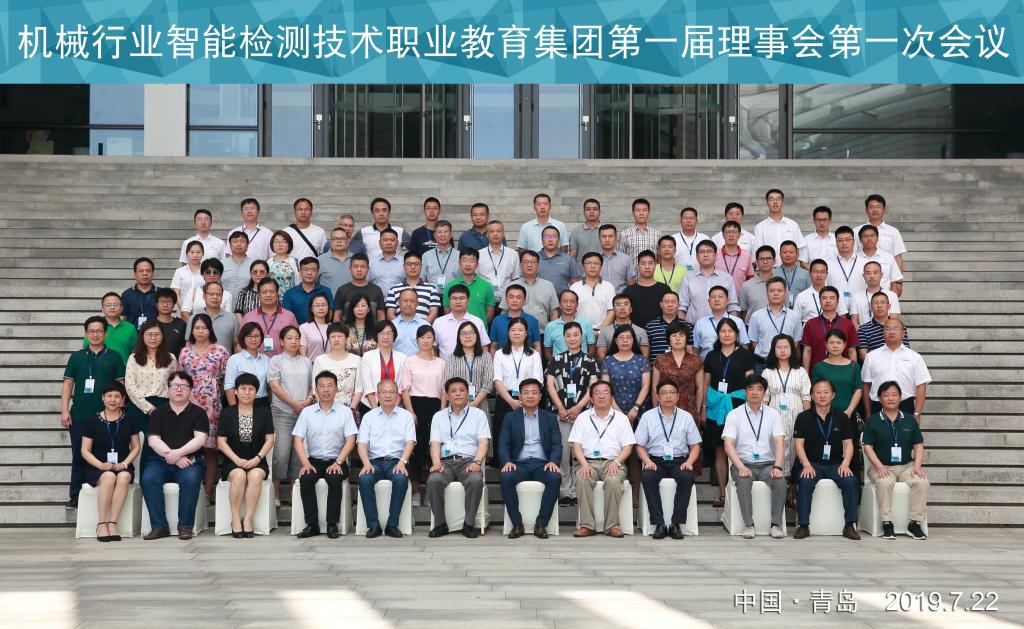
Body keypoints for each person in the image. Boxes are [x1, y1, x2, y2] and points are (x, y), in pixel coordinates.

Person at [62, 317, 126, 509]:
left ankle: (104, 489)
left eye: (99, 331)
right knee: (78, 454)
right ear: (86, 334)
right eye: (91, 331)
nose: (95, 334)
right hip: (80, 414)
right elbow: (68, 384)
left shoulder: (114, 356)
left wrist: (120, 410)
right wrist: (64, 410)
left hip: (107, 416)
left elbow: (121, 386)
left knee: (104, 451)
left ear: (105, 333)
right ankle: (76, 494)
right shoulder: (76, 357)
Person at [141, 371, 208, 541]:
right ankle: (159, 526)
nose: (179, 389)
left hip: (190, 461)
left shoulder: (199, 413)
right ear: (168, 389)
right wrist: (174, 457)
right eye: (175, 386)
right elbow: (153, 441)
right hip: (161, 461)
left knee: (190, 479)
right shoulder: (158, 413)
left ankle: (185, 526)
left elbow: (200, 439)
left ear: (191, 389)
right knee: (148, 478)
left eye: (184, 386)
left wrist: (178, 454)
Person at [293, 370, 359, 539]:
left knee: (334, 479)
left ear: (336, 389)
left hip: (337, 460)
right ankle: (312, 525)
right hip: (314, 460)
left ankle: (332, 524)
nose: (326, 389)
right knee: (306, 479)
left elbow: (351, 440)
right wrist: (306, 463)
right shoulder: (307, 412)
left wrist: (338, 462)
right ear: (316, 390)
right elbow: (298, 440)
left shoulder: (345, 412)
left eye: (330, 386)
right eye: (321, 386)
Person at [793, 378, 860, 540]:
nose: (822, 396)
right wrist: (806, 465)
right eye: (818, 392)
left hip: (836, 464)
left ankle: (850, 525)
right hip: (812, 464)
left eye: (826, 392)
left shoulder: (842, 417)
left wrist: (845, 464)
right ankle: (803, 525)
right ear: (812, 396)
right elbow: (798, 445)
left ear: (833, 395)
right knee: (805, 480)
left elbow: (849, 444)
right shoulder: (803, 417)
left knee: (850, 481)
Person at [862, 381, 929, 540]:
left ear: (900, 397)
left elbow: (918, 445)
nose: (890, 398)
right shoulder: (872, 420)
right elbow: (867, 447)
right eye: (886, 395)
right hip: (881, 466)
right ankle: (887, 523)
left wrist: (917, 466)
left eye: (894, 395)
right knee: (884, 482)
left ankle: (914, 523)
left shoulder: (909, 419)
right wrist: (879, 467)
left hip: (906, 466)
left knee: (922, 482)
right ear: (879, 398)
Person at [635, 381, 702, 539]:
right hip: (655, 461)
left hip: (680, 461)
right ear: (657, 397)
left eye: (672, 392)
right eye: (664, 392)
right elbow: (639, 446)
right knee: (647, 477)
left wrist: (689, 462)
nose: (668, 396)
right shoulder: (647, 417)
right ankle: (659, 523)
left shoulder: (686, 417)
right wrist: (647, 461)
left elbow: (695, 446)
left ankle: (676, 523)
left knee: (687, 477)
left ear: (678, 396)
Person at [722, 374, 787, 539]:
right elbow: (728, 445)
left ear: (764, 392)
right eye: (751, 389)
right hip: (743, 463)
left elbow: (779, 442)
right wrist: (741, 467)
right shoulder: (734, 415)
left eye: (759, 389)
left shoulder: (773, 414)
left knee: (780, 481)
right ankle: (749, 525)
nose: (755, 392)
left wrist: (778, 467)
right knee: (743, 480)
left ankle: (776, 525)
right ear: (745, 392)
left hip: (767, 464)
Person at [569, 381, 636, 538]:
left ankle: (612, 526)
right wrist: (583, 464)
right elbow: (576, 445)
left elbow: (628, 447)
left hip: (613, 462)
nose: (601, 396)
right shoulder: (582, 418)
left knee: (613, 480)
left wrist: (617, 463)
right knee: (582, 478)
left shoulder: (621, 419)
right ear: (591, 398)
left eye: (605, 393)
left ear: (611, 397)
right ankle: (587, 526)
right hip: (587, 462)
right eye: (597, 393)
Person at [426, 377, 491, 538]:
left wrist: (477, 462)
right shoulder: (438, 416)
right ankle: (440, 524)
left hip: (468, 462)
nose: (458, 394)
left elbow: (484, 442)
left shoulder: (478, 415)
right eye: (453, 391)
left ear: (468, 394)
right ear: (447, 395)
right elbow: (434, 443)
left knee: (475, 480)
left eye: (462, 390)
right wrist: (436, 463)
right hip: (445, 463)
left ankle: (468, 524)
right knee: (433, 480)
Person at [498, 378, 562, 539]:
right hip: (519, 464)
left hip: (542, 464)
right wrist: (506, 461)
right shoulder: (510, 417)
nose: (530, 396)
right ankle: (517, 524)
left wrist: (553, 461)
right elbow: (503, 444)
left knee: (555, 477)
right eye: (526, 393)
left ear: (540, 396)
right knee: (506, 476)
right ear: (520, 396)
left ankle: (541, 524)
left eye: (534, 392)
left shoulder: (549, 417)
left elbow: (556, 444)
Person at [701, 318, 756, 509]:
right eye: (723, 331)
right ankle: (723, 494)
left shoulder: (745, 355)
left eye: (730, 331)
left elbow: (751, 384)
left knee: (738, 449)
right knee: (720, 451)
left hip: (738, 405)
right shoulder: (711, 355)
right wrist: (703, 408)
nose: (726, 334)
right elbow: (705, 384)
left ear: (737, 334)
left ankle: (739, 493)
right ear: (718, 334)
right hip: (716, 407)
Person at [545, 322, 601, 506]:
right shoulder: (556, 359)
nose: (572, 338)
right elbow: (550, 385)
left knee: (579, 452)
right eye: (568, 335)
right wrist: (560, 407)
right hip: (560, 412)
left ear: (582, 337)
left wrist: (578, 408)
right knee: (563, 453)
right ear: (564, 337)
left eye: (576, 335)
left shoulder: (590, 361)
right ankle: (564, 491)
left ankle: (578, 490)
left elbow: (593, 387)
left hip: (582, 414)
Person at [178, 313, 231, 497]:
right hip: (188, 405)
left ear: (210, 330)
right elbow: (180, 379)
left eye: (204, 328)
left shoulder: (220, 351)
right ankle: (190, 491)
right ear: (192, 330)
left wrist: (216, 396)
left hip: (212, 407)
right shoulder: (185, 352)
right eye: (197, 328)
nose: (200, 331)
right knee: (188, 447)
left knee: (210, 450)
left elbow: (226, 380)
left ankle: (207, 492)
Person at [80, 382, 141, 542]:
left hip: (122, 465)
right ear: (103, 397)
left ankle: (113, 523)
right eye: (109, 396)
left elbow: (136, 447)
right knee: (109, 476)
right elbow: (85, 450)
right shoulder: (92, 420)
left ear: (122, 399)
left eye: (117, 396)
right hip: (97, 467)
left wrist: (125, 464)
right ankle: (101, 524)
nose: (113, 400)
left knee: (123, 477)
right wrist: (100, 465)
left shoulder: (130, 419)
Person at [357, 379, 417, 538]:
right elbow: (361, 443)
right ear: (377, 395)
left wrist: (403, 462)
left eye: (392, 392)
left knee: (400, 479)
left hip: (397, 462)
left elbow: (410, 442)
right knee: (364, 479)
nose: (388, 395)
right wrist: (366, 463)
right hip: (374, 462)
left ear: (398, 395)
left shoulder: (406, 416)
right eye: (384, 392)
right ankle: (373, 526)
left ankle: (392, 525)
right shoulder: (369, 416)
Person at [217, 373, 275, 538]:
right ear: (235, 391)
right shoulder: (227, 413)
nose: (247, 392)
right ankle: (236, 519)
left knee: (255, 476)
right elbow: (221, 442)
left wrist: (258, 458)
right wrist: (236, 459)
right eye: (243, 388)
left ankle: (248, 518)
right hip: (232, 461)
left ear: (256, 392)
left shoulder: (264, 412)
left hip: (257, 460)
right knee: (239, 475)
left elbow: (270, 440)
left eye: (251, 389)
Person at [397, 325, 447, 506]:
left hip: (435, 407)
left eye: (429, 337)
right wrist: (410, 411)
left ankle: (431, 490)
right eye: (422, 337)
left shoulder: (441, 363)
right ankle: (416, 490)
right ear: (417, 340)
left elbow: (444, 390)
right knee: (416, 449)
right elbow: (405, 389)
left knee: (432, 447)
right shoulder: (410, 361)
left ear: (434, 340)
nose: (425, 341)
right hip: (415, 406)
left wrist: (442, 411)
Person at [268, 326, 314, 504]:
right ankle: (276, 493)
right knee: (281, 452)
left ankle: (295, 490)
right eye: (289, 338)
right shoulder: (276, 360)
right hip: (282, 412)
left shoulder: (306, 361)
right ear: (281, 341)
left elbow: (312, 386)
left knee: (298, 452)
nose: (294, 341)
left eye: (297, 338)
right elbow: (275, 385)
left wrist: (308, 400)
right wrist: (293, 403)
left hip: (303, 412)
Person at [762, 335, 812, 490]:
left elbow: (806, 397)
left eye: (786, 347)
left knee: (797, 446)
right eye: (779, 347)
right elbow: (764, 399)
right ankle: (780, 487)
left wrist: (808, 421)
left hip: (797, 416)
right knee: (778, 447)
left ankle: (794, 489)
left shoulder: (801, 371)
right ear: (773, 350)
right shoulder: (767, 372)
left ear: (792, 349)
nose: (783, 350)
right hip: (774, 416)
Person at [124, 320, 176, 466]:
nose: (153, 338)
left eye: (157, 334)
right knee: (145, 441)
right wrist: (149, 408)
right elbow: (130, 386)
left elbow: (173, 384)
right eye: (149, 334)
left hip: (163, 406)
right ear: (142, 336)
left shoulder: (171, 358)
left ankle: (155, 475)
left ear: (163, 336)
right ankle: (142, 476)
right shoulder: (133, 358)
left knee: (161, 442)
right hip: (138, 406)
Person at [861, 316, 931, 419]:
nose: (892, 331)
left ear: (903, 333)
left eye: (896, 328)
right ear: (883, 333)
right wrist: (868, 413)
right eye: (888, 328)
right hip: (877, 406)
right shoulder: (871, 356)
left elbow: (921, 386)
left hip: (906, 406)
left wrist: (917, 413)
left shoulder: (915, 357)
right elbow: (866, 385)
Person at [493, 318, 545, 457]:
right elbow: (497, 380)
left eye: (520, 330)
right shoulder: (499, 354)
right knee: (504, 435)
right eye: (513, 330)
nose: (517, 333)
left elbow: (538, 380)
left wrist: (526, 398)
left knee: (525, 435)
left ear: (526, 333)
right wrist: (511, 401)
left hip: (528, 398)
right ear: (508, 333)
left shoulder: (534, 355)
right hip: (505, 398)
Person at [747, 277, 803, 372]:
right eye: (772, 290)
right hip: (762, 365)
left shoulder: (795, 316)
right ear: (766, 293)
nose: (775, 293)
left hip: (787, 364)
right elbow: (754, 342)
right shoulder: (756, 316)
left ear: (785, 293)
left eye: (779, 290)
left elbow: (796, 341)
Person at [679, 240, 740, 324]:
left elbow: (732, 306)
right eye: (702, 252)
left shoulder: (726, 278)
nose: (705, 254)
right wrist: (685, 327)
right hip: (693, 327)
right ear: (697, 257)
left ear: (716, 255)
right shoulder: (688, 278)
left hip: (722, 328)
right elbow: (682, 308)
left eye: (709, 251)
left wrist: (730, 327)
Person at [652, 322, 704, 419]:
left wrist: (697, 410)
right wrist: (655, 410)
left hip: (689, 410)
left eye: (681, 335)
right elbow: (655, 387)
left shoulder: (696, 360)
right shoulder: (660, 359)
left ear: (686, 338)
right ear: (669, 339)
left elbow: (700, 388)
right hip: (665, 409)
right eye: (674, 335)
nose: (678, 338)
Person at [801, 287, 859, 373]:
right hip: (818, 372)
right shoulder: (810, 324)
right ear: (820, 301)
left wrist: (854, 373)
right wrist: (805, 375)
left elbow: (852, 351)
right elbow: (807, 351)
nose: (828, 301)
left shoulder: (848, 324)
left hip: (843, 372)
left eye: (832, 298)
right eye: (824, 298)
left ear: (837, 302)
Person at [442, 321, 493, 413]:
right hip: (456, 406)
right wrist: (443, 408)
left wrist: (475, 403)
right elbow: (447, 384)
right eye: (463, 333)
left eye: (471, 332)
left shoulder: (486, 356)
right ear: (459, 337)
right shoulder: (451, 358)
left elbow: (487, 384)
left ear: (477, 335)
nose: (468, 336)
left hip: (480, 405)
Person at [812, 330, 864, 421]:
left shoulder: (853, 366)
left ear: (844, 344)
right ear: (826, 344)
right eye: (831, 342)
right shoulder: (819, 367)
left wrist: (849, 411)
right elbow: (815, 392)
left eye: (839, 342)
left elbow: (858, 390)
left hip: (848, 414)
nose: (835, 346)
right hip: (824, 415)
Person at [688, 286, 750, 362]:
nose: (717, 299)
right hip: (706, 366)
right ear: (709, 301)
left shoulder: (738, 322)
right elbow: (696, 350)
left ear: (727, 300)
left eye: (720, 296)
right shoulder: (700, 323)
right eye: (713, 297)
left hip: (733, 365)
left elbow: (744, 346)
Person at [311, 323, 362, 414]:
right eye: (333, 336)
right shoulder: (320, 360)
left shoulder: (356, 359)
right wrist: (324, 410)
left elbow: (359, 388)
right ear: (328, 339)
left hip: (350, 411)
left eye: (340, 336)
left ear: (346, 339)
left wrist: (351, 410)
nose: (336, 339)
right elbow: (316, 389)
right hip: (325, 411)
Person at [242, 278, 300, 357]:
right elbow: (241, 343)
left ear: (277, 294)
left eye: (272, 292)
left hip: (283, 362)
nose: (268, 295)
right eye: (264, 292)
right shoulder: (249, 317)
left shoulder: (289, 316)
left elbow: (297, 341)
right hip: (255, 362)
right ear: (258, 295)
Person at [359, 322, 407, 414]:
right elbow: (367, 385)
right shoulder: (367, 356)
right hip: (370, 405)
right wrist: (375, 410)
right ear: (376, 336)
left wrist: (394, 408)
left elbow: (401, 386)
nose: (385, 337)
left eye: (389, 333)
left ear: (394, 336)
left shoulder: (402, 357)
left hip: (395, 406)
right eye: (382, 333)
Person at [433, 284, 490, 359]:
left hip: (472, 365)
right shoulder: (439, 322)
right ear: (449, 301)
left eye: (462, 298)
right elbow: (433, 348)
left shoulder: (477, 322)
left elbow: (484, 347)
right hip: (444, 365)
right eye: (454, 298)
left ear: (468, 300)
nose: (458, 301)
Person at [753, 189, 804, 267]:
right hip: (769, 269)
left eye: (778, 199)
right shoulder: (760, 227)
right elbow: (757, 252)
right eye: (771, 199)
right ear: (767, 202)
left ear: (782, 202)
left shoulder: (793, 225)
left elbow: (798, 249)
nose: (775, 202)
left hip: (789, 268)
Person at [384, 252, 441, 322]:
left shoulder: (431, 289)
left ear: (421, 266)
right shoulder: (393, 289)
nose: (413, 267)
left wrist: (421, 326)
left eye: (416, 264)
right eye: (409, 264)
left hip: (424, 327)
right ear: (404, 266)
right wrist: (401, 326)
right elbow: (390, 314)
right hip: (399, 327)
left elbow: (434, 313)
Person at [225, 323, 271, 407]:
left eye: (256, 336)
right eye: (249, 336)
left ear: (261, 338)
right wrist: (233, 409)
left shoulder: (266, 359)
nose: (253, 339)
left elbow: (269, 386)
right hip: (242, 402)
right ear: (243, 338)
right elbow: (229, 386)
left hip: (263, 402)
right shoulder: (234, 359)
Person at [83, 292, 138, 364]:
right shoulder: (95, 327)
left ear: (122, 308)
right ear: (102, 309)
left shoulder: (130, 328)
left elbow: (135, 351)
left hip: (123, 369)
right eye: (108, 305)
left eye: (116, 305)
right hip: (97, 367)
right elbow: (86, 347)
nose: (112, 307)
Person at [443, 249, 496, 322]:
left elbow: (490, 313)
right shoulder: (450, 286)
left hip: (479, 328)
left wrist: (479, 325)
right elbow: (447, 311)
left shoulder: (486, 286)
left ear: (477, 264)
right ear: (459, 263)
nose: (468, 264)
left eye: (472, 261)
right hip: (456, 328)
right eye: (465, 260)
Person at [858, 194, 907, 272]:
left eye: (878, 207)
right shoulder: (856, 231)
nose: (875, 210)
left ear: (884, 210)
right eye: (871, 207)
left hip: (886, 276)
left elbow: (897, 257)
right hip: (862, 274)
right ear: (866, 210)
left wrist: (898, 279)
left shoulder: (893, 232)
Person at [477, 220, 520, 309]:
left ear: (503, 233)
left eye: (499, 231)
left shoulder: (513, 254)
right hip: (484, 301)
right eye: (492, 231)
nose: (495, 234)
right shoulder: (479, 254)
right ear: (487, 234)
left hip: (506, 302)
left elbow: (516, 279)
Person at [511, 250, 560, 328]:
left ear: (538, 265)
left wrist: (552, 330)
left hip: (542, 331)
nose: (529, 265)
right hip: (517, 332)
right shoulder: (512, 285)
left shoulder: (548, 285)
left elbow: (553, 312)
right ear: (520, 265)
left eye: (533, 262)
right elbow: (505, 311)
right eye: (526, 262)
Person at [488, 285, 542, 354]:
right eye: (511, 297)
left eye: (518, 297)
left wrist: (538, 360)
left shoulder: (532, 320)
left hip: (527, 359)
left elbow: (536, 345)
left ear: (524, 300)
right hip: (503, 360)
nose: (514, 300)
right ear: (506, 299)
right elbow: (494, 346)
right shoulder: (497, 321)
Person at [543, 290, 596, 360]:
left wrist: (584, 362)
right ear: (559, 304)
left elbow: (592, 348)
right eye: (565, 301)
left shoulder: (586, 324)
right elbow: (547, 352)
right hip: (559, 365)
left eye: (572, 301)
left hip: (582, 364)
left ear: (577, 305)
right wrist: (555, 364)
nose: (568, 305)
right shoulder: (550, 326)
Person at [332, 253, 385, 322]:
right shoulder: (342, 290)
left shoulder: (377, 290)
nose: (359, 270)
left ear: (368, 269)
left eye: (363, 267)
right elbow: (337, 316)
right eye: (355, 266)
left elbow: (381, 316)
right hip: (347, 328)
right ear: (350, 268)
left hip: (372, 328)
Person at [857, 292, 911, 359]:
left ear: (889, 306)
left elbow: (906, 349)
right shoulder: (863, 329)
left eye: (882, 302)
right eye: (875, 303)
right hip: (875, 364)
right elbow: (863, 354)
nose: (879, 306)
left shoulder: (899, 327)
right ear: (871, 307)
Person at [794, 259, 849, 324]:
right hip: (809, 329)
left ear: (827, 274)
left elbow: (842, 316)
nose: (819, 275)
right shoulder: (801, 296)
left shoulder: (835, 293)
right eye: (815, 272)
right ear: (810, 273)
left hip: (832, 329)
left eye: (822, 272)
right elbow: (796, 320)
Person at [856, 224, 904, 297]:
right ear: (860, 240)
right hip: (860, 300)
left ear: (877, 238)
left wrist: (891, 300)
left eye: (872, 236)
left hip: (883, 301)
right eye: (865, 236)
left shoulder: (888, 257)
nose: (869, 239)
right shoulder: (854, 258)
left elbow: (894, 281)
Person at [570, 252, 615, 330]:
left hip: (602, 331)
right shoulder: (574, 287)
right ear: (583, 266)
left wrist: (601, 331)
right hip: (580, 331)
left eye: (596, 263)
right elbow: (571, 311)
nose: (592, 266)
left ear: (601, 267)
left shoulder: (609, 286)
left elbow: (612, 311)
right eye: (588, 263)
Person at [596, 294, 649, 360]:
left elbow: (645, 356)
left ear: (631, 309)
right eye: (618, 305)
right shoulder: (604, 332)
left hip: (636, 366)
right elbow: (601, 355)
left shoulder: (641, 331)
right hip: (610, 366)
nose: (622, 308)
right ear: (614, 310)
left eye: (626, 304)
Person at [645, 291, 694, 361]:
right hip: (656, 366)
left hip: (681, 366)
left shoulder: (687, 325)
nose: (670, 305)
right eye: (667, 302)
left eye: (673, 302)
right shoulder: (650, 326)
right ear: (661, 304)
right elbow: (646, 352)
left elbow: (689, 350)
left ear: (678, 305)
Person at [282, 257, 333, 325]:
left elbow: (329, 314)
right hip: (297, 330)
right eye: (306, 269)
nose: (309, 273)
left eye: (313, 270)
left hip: (321, 329)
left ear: (318, 272)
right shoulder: (290, 293)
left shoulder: (326, 291)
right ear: (300, 272)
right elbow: (287, 317)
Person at [849, 262, 901, 327]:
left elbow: (894, 320)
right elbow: (854, 322)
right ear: (864, 276)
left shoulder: (892, 296)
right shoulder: (856, 297)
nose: (872, 276)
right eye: (868, 273)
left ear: (881, 275)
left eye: (875, 273)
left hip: (886, 332)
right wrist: (863, 332)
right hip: (863, 332)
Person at [537, 225, 581, 296]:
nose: (550, 239)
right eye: (546, 236)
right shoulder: (534, 258)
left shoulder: (568, 259)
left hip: (562, 301)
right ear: (542, 239)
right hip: (539, 300)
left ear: (559, 239)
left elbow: (575, 284)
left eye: (554, 236)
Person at [618, 198, 661, 265]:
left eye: (644, 210)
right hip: (631, 272)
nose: (641, 213)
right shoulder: (624, 234)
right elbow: (621, 259)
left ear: (648, 212)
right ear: (633, 213)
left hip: (652, 272)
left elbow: (659, 259)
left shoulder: (657, 234)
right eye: (638, 210)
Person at [738, 245, 776, 322]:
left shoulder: (781, 284)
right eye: (761, 259)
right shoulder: (746, 286)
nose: (765, 261)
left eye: (768, 258)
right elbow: (743, 311)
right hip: (752, 327)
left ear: (774, 261)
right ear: (756, 262)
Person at [283, 197, 327, 261]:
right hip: (291, 267)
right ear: (295, 211)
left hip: (312, 267)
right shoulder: (286, 232)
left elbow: (324, 254)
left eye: (307, 209)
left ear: (311, 211)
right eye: (300, 209)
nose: (303, 212)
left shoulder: (320, 232)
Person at [716, 221, 754, 293]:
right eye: (728, 232)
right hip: (719, 297)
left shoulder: (746, 255)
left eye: (734, 232)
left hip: (740, 296)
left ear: (739, 235)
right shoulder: (715, 254)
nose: (731, 235)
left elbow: (750, 278)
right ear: (723, 235)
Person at [828, 225, 859, 311]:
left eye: (847, 240)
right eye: (840, 240)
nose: (844, 243)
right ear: (836, 243)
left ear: (854, 242)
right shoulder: (828, 264)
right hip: (836, 310)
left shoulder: (864, 263)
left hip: (859, 311)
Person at [122, 257, 159, 329]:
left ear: (153, 273)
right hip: (133, 334)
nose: (145, 273)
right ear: (135, 274)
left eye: (148, 271)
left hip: (155, 334)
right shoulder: (127, 294)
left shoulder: (160, 293)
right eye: (141, 271)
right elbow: (123, 318)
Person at [422, 220, 459, 289]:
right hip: (432, 293)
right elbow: (422, 279)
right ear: (435, 235)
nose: (442, 235)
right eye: (439, 232)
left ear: (451, 234)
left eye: (445, 231)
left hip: (453, 293)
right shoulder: (426, 256)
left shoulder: (459, 255)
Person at [392, 288, 430, 356]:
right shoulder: (392, 325)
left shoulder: (425, 325)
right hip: (397, 362)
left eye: (412, 301)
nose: (408, 304)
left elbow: (430, 350)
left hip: (419, 362)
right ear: (399, 302)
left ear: (417, 303)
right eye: (405, 300)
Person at [597, 224, 634, 293]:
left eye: (610, 236)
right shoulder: (593, 260)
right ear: (599, 239)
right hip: (599, 298)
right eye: (604, 237)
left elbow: (631, 285)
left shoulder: (625, 259)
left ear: (616, 238)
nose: (607, 240)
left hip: (620, 298)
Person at [317, 227, 353, 297]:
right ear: (330, 241)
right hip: (329, 303)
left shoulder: (356, 260)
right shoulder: (320, 261)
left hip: (352, 303)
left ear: (348, 241)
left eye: (342, 238)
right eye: (335, 238)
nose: (338, 241)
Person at [368, 228, 405, 298]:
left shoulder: (405, 262)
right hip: (377, 302)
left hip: (399, 302)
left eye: (392, 240)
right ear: (380, 243)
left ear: (397, 243)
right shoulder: (370, 263)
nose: (389, 243)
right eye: (385, 240)